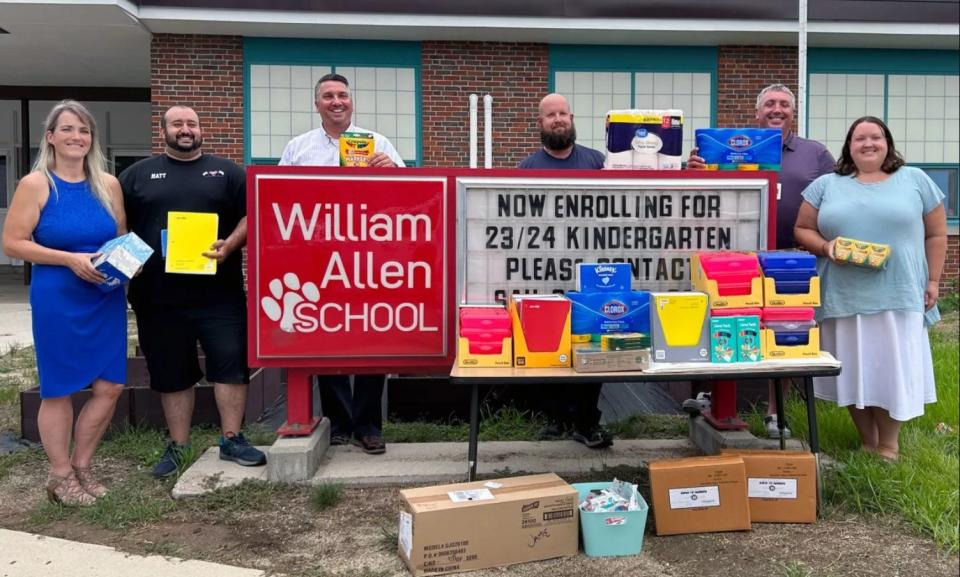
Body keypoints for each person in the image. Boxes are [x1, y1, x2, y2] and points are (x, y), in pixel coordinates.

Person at [119, 105, 266, 477]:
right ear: (164, 130)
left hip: (219, 295)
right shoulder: (136, 175)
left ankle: (232, 439)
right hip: (157, 296)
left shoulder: (230, 173)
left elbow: (252, 216)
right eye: (177, 124)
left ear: (201, 129)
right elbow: (120, 227)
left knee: (230, 366)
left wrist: (230, 244)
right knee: (171, 372)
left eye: (192, 124)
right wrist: (123, 264)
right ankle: (178, 446)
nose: (186, 130)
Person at [794, 115, 946, 462]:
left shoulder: (915, 180)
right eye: (859, 138)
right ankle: (867, 439)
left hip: (900, 290)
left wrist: (934, 280)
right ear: (848, 146)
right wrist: (826, 248)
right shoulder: (826, 184)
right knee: (853, 369)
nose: (868, 144)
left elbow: (936, 234)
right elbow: (802, 228)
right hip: (843, 293)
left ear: (888, 142)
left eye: (875, 137)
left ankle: (889, 445)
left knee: (892, 368)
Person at [689, 83, 835, 438]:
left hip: (790, 259)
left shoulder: (815, 154)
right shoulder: (726, 148)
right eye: (769, 103)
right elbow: (697, 195)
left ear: (793, 112)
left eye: (784, 104)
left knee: (785, 332)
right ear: (757, 112)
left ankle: (775, 414)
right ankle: (713, 394)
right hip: (734, 256)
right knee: (722, 320)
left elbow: (839, 195)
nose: (777, 109)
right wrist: (692, 167)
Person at [2, 100, 127, 505]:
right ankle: (59, 475)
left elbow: (120, 237)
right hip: (59, 294)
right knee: (59, 388)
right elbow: (13, 242)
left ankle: (82, 464)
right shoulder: (36, 184)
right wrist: (69, 259)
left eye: (85, 130)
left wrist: (128, 263)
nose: (77, 137)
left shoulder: (108, 184)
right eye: (68, 129)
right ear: (51, 137)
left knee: (110, 385)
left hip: (103, 295)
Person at [279, 73, 403, 455]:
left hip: (368, 256)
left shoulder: (378, 143)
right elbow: (279, 196)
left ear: (352, 101)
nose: (337, 101)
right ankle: (338, 422)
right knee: (326, 335)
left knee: (372, 336)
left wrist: (391, 173)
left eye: (343, 95)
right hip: (317, 256)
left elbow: (409, 195)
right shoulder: (298, 148)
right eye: (328, 96)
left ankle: (368, 425)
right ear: (317, 104)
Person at [517, 93, 612, 449]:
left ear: (571, 118)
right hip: (544, 270)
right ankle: (555, 418)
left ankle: (586, 421)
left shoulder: (596, 161)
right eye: (550, 115)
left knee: (590, 342)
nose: (558, 120)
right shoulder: (528, 168)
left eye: (563, 114)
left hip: (592, 273)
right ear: (540, 123)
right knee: (549, 341)